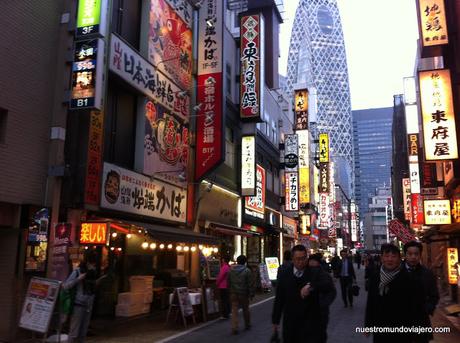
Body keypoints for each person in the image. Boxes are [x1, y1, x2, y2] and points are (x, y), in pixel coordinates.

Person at [272, 245, 336, 342]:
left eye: (303, 258)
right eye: (298, 259)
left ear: (307, 257)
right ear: (292, 259)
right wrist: (275, 320)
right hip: (291, 323)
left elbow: (328, 285)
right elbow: (279, 298)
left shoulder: (314, 271)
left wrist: (311, 286)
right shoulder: (285, 274)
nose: (301, 261)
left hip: (311, 323)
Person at [365, 243, 425, 343]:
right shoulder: (376, 277)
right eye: (387, 256)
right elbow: (370, 303)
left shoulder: (409, 278)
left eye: (393, 256)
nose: (390, 259)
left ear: (399, 259)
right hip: (380, 328)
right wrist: (368, 325)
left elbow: (417, 307)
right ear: (382, 258)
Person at [63, 254, 106, 343]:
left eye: (94, 265)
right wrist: (78, 279)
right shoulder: (78, 272)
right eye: (92, 264)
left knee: (83, 332)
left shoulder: (93, 273)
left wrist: (96, 283)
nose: (93, 267)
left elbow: (92, 288)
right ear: (87, 263)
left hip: (88, 306)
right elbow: (65, 286)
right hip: (78, 305)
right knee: (74, 332)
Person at [403, 240, 439, 343]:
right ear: (405, 255)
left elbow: (434, 295)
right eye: (410, 254)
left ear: (420, 255)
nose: (413, 257)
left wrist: (428, 308)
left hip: (421, 320)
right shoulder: (397, 272)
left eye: (416, 254)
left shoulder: (427, 273)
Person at [308, 253, 337, 343]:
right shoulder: (304, 274)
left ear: (318, 263)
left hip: (321, 311)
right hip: (307, 311)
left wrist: (323, 304)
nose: (312, 263)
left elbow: (332, 292)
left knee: (320, 334)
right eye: (310, 261)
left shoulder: (324, 275)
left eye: (314, 261)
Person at [228, 255, 254, 335]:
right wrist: (251, 294)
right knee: (245, 309)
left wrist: (230, 290)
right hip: (243, 293)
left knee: (234, 310)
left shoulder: (231, 270)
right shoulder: (247, 271)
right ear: (245, 262)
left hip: (233, 293)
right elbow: (250, 284)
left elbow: (228, 282)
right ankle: (247, 324)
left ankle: (234, 327)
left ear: (237, 261)